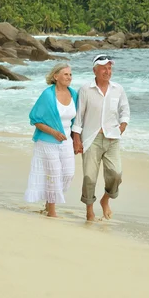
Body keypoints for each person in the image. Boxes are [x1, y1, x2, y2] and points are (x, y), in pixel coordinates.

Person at [72, 54, 130, 221]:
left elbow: (125, 110)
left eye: (110, 68)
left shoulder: (118, 89)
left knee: (116, 174)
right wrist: (76, 139)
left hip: (112, 138)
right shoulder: (85, 89)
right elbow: (79, 116)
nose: (107, 71)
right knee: (89, 177)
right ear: (95, 70)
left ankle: (105, 199)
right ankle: (89, 211)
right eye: (104, 68)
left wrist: (123, 125)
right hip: (92, 138)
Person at [24, 63, 78, 217]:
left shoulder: (73, 94)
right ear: (56, 76)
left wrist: (76, 139)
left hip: (66, 141)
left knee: (68, 174)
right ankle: (51, 211)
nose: (69, 77)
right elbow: (35, 119)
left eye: (70, 74)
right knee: (53, 174)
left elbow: (76, 120)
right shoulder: (48, 95)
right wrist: (54, 132)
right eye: (66, 74)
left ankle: (49, 201)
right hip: (48, 141)